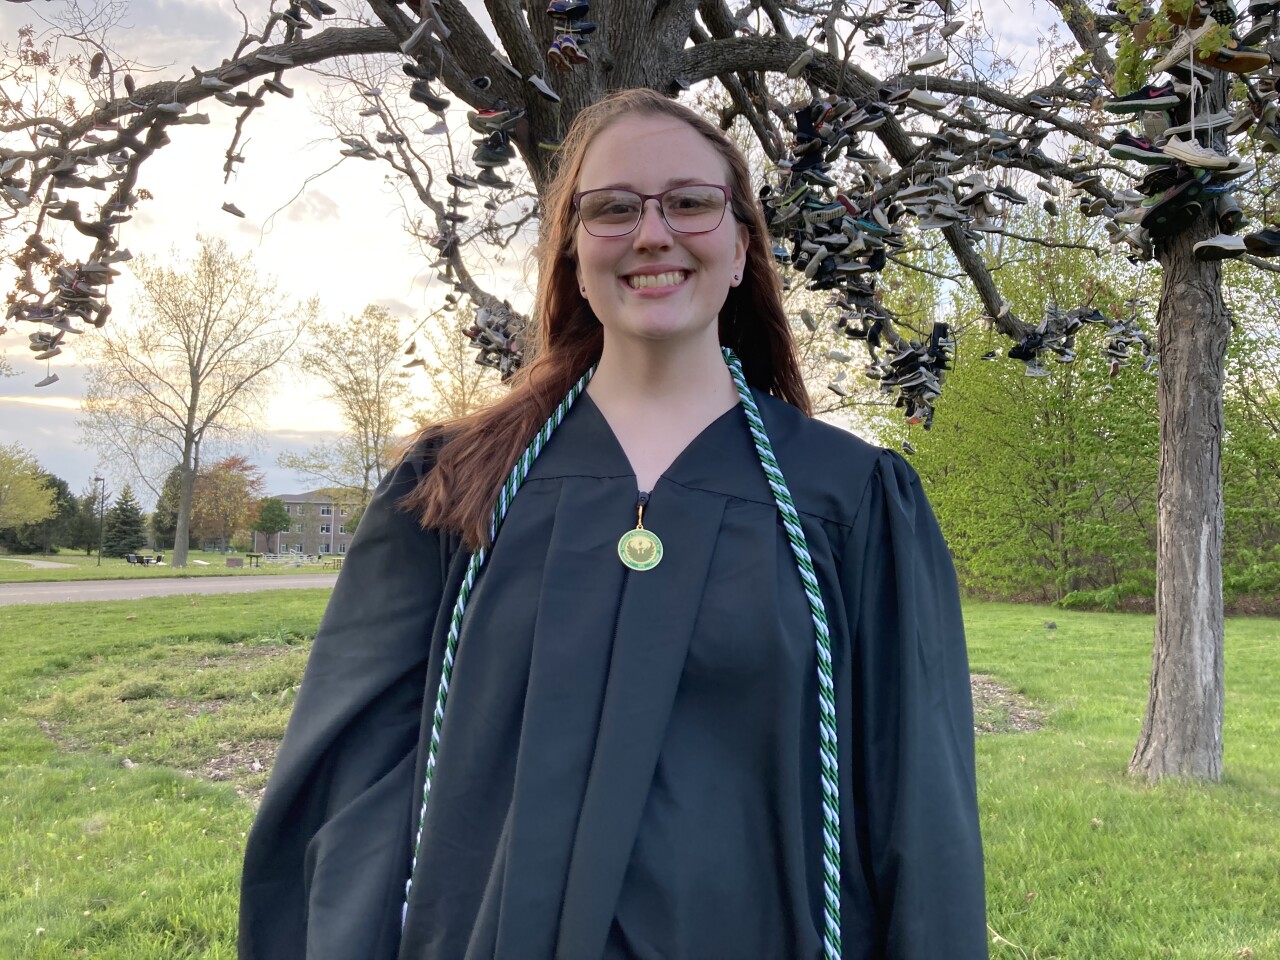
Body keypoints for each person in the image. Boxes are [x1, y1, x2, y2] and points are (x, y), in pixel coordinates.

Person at [239, 88, 986, 960]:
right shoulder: (454, 486)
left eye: (691, 203)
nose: (653, 233)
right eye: (614, 209)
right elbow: (353, 784)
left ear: (742, 247)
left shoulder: (850, 500)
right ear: (572, 255)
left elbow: (919, 814)